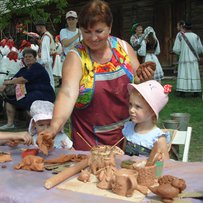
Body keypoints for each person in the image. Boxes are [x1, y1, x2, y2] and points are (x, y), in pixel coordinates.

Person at [37, 0, 154, 152]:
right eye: (86, 32)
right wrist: (54, 127)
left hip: (129, 136)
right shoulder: (76, 57)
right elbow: (67, 93)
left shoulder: (123, 49)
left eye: (99, 31)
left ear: (109, 28)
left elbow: (137, 82)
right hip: (89, 141)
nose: (93, 38)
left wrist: (145, 78)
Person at [0, 48, 55, 130]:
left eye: (30, 56)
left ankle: (39, 125)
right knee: (9, 100)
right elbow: (14, 78)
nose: (27, 58)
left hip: (43, 93)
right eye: (25, 57)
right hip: (30, 93)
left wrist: (6, 83)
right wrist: (4, 85)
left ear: (35, 58)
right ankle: (10, 124)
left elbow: (23, 79)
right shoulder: (23, 69)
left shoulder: (37, 67)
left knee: (29, 101)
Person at [122, 80, 171, 160]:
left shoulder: (157, 138)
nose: (131, 110)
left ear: (152, 111)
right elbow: (124, 156)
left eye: (137, 106)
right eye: (130, 104)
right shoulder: (128, 129)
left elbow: (165, 165)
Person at [172, 21, 203, 97]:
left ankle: (183, 92)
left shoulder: (180, 36)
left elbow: (176, 49)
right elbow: (200, 49)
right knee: (194, 74)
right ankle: (196, 92)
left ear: (184, 27)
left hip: (184, 59)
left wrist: (182, 53)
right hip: (193, 59)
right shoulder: (196, 36)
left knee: (184, 74)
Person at [35, 20, 55, 90]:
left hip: (46, 60)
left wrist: (43, 62)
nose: (36, 29)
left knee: (48, 77)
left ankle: (51, 92)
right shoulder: (46, 35)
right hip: (47, 59)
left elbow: (45, 50)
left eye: (37, 27)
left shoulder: (46, 36)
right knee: (48, 77)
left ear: (40, 27)